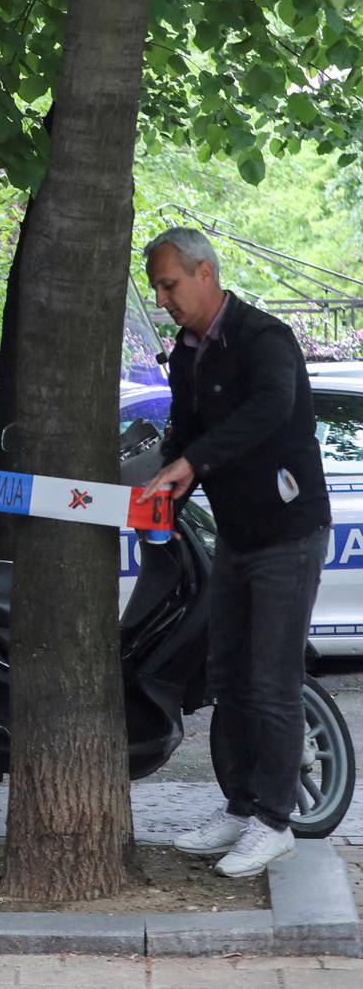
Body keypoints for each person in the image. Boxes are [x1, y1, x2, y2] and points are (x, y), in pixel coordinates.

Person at [142, 227, 331, 879]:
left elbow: (271, 409)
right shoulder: (186, 354)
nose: (164, 298)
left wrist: (195, 460)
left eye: (169, 284)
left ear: (204, 272)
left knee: (272, 681)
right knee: (225, 676)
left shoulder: (262, 338)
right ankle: (239, 804)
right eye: (157, 288)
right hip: (238, 536)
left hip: (289, 533)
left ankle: (274, 823)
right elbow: (184, 430)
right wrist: (170, 470)